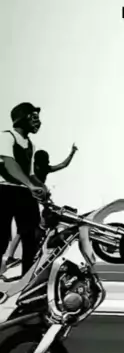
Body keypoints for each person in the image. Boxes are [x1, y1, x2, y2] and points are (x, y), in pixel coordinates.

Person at [1, 142, 78, 272]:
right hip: (31, 197)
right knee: (26, 229)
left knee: (26, 229)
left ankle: (14, 255)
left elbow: (63, 165)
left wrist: (72, 153)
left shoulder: (40, 169)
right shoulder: (36, 171)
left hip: (35, 197)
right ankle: (13, 256)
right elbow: (61, 166)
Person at [0, 102, 47, 278]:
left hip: (24, 192)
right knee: (1, 237)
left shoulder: (31, 145)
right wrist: (30, 185)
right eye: (33, 117)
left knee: (31, 237)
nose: (37, 121)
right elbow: (10, 164)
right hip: (4, 191)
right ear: (21, 118)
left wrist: (42, 187)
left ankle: (27, 280)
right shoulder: (6, 137)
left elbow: (30, 174)